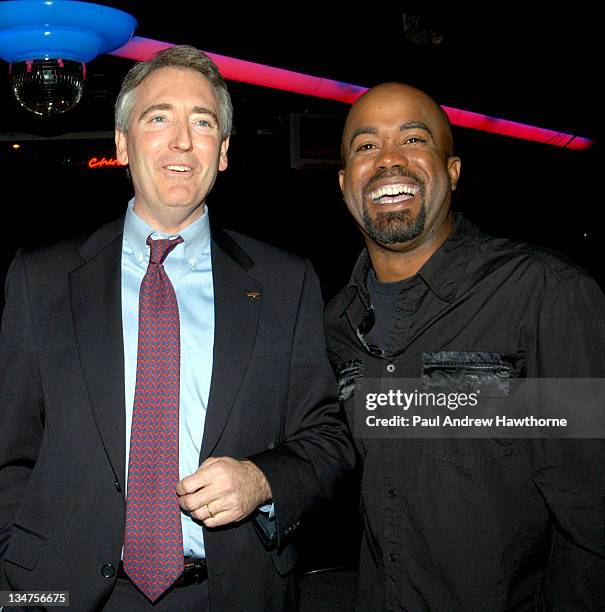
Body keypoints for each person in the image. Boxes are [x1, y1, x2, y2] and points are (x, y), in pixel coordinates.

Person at [0, 46, 355, 611]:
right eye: (158, 117)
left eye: (203, 122)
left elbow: (330, 440)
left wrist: (262, 481)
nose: (182, 141)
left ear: (224, 153)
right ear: (122, 144)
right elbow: (8, 451)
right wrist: (19, 584)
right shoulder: (41, 280)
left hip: (231, 593)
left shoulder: (287, 284)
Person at [324, 82, 605, 610]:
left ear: (452, 171)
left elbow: (593, 514)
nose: (388, 160)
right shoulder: (336, 324)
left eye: (412, 139)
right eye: (366, 146)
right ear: (345, 182)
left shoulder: (542, 295)